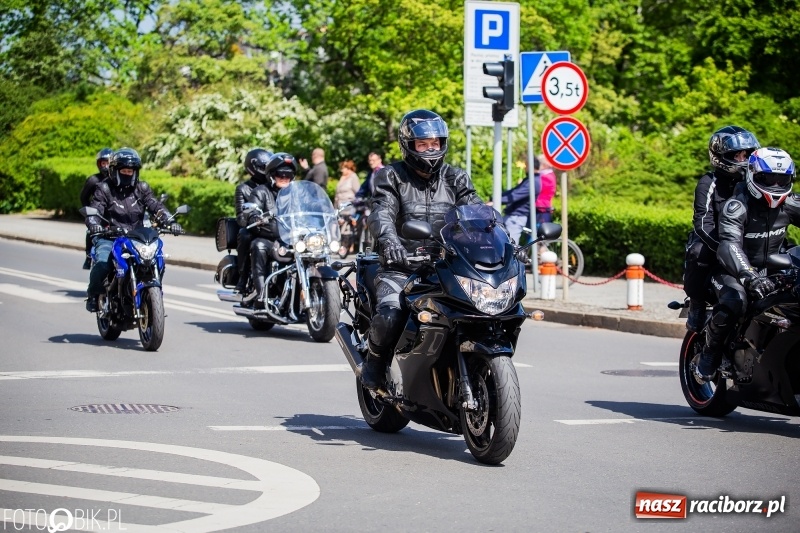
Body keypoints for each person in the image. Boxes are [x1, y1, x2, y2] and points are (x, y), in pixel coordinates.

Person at [361, 109, 483, 390]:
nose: (430, 149)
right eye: (423, 144)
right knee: (391, 314)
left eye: (435, 143)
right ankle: (374, 363)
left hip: (446, 267)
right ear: (408, 145)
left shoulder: (456, 178)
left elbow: (476, 213)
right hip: (401, 266)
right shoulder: (391, 176)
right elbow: (381, 213)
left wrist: (503, 241)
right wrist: (390, 242)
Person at [694, 147, 798, 382]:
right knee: (735, 301)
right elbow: (729, 245)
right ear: (752, 175)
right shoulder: (737, 206)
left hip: (774, 269)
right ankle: (710, 353)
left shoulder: (791, 203)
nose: (775, 185)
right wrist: (749, 275)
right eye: (768, 179)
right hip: (731, 270)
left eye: (781, 180)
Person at [84, 148, 183, 312]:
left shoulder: (142, 188)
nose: (127, 174)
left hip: (137, 237)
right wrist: (95, 224)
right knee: (102, 263)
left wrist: (170, 221)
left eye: (130, 171)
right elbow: (95, 210)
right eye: (124, 170)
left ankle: (150, 294)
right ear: (114, 171)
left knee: (157, 259)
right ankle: (94, 296)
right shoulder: (104, 188)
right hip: (110, 236)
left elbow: (156, 206)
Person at [683, 126, 761, 332]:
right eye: (736, 155)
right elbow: (703, 223)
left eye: (747, 154)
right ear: (720, 157)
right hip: (718, 243)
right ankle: (697, 303)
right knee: (697, 251)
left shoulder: (757, 181)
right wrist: (727, 247)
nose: (743, 159)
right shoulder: (709, 182)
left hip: (750, 242)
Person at [245, 152, 299, 307]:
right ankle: (262, 294)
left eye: (288, 174)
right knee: (258, 245)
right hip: (270, 239)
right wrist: (255, 217)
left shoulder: (296, 193)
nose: (284, 177)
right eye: (280, 174)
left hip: (293, 239)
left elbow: (311, 207)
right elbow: (251, 212)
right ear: (271, 175)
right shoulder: (261, 192)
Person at [234, 148, 273, 293]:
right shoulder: (243, 189)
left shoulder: (273, 187)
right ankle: (243, 276)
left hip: (273, 227)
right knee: (244, 234)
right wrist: (254, 219)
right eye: (264, 167)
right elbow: (240, 217)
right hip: (255, 227)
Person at [79, 148, 114, 269]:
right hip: (98, 213)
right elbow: (83, 197)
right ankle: (88, 256)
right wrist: (90, 213)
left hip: (114, 213)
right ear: (99, 164)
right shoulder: (93, 180)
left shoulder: (117, 180)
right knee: (91, 231)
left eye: (108, 163)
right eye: (103, 163)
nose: (106, 166)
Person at [500, 157, 539, 244]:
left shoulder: (533, 182)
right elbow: (514, 191)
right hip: (514, 215)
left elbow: (515, 195)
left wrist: (497, 200)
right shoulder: (529, 180)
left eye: (526, 165)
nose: (525, 168)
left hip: (516, 217)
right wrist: (495, 197)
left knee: (511, 245)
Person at [536, 155, 557, 226]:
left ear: (544, 165)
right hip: (540, 208)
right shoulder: (545, 175)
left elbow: (537, 188)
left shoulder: (546, 177)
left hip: (541, 209)